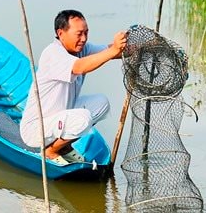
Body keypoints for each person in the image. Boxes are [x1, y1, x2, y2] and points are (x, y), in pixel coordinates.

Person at [20, 9, 127, 165]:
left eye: (86, 33)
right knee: (83, 119)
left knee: (101, 103)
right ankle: (50, 150)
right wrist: (113, 50)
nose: (83, 39)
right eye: (79, 34)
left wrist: (127, 47)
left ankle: (62, 145)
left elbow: (109, 51)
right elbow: (79, 67)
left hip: (60, 118)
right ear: (61, 33)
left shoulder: (82, 49)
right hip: (37, 130)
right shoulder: (53, 53)